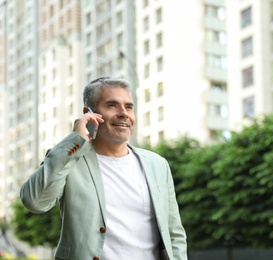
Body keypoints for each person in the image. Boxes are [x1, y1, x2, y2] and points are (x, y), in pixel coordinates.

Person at [20, 76, 187, 260]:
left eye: (129, 107)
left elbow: (174, 234)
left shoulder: (157, 164)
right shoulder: (69, 159)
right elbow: (34, 202)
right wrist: (75, 140)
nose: (124, 113)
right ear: (88, 113)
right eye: (112, 105)